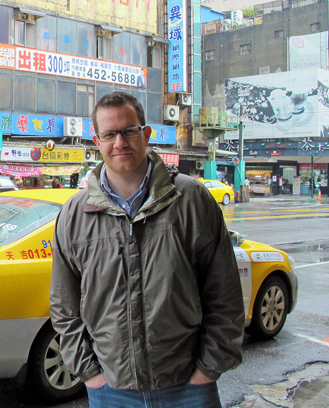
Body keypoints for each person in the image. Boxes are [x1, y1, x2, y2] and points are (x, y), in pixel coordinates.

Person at [50, 92, 244, 408]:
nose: (119, 143)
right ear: (96, 140)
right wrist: (90, 375)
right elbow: (64, 305)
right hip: (111, 391)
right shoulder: (74, 214)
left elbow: (225, 293)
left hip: (189, 387)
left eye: (128, 131)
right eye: (109, 134)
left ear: (146, 133)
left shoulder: (191, 199)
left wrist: (207, 370)